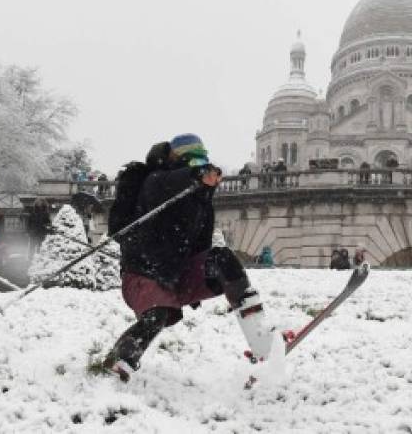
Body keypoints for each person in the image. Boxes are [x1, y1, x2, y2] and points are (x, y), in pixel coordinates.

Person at [102, 134, 279, 381]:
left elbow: (200, 247)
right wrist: (194, 176)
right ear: (178, 160)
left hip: (178, 274)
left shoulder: (200, 203)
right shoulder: (154, 181)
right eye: (193, 161)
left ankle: (262, 342)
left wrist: (212, 275)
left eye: (202, 160)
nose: (199, 167)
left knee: (222, 259)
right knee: (158, 314)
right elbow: (168, 183)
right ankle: (118, 362)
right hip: (143, 273)